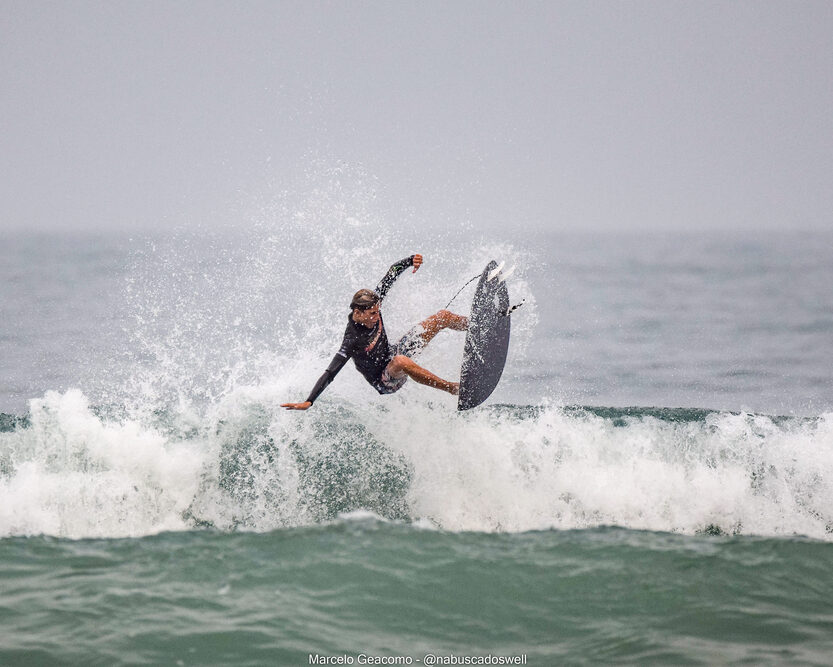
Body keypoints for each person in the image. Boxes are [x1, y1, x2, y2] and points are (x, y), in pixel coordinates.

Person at [281, 254, 468, 410]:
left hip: (395, 353)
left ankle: (474, 325)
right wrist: (309, 400)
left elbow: (391, 275)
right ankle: (453, 388)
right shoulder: (352, 340)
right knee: (401, 361)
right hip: (384, 380)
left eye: (377, 311)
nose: (376, 316)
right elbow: (330, 373)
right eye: (372, 314)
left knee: (443, 316)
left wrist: (411, 260)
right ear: (357, 312)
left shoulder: (373, 304)